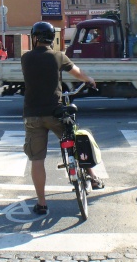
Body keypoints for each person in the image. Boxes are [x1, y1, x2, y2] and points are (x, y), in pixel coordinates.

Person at [21, 21, 104, 215]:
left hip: (33, 115)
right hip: (55, 112)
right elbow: (77, 73)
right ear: (52, 38)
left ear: (35, 38)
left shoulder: (26, 58)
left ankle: (41, 203)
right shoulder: (58, 57)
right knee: (75, 140)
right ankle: (92, 176)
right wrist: (90, 80)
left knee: (37, 159)